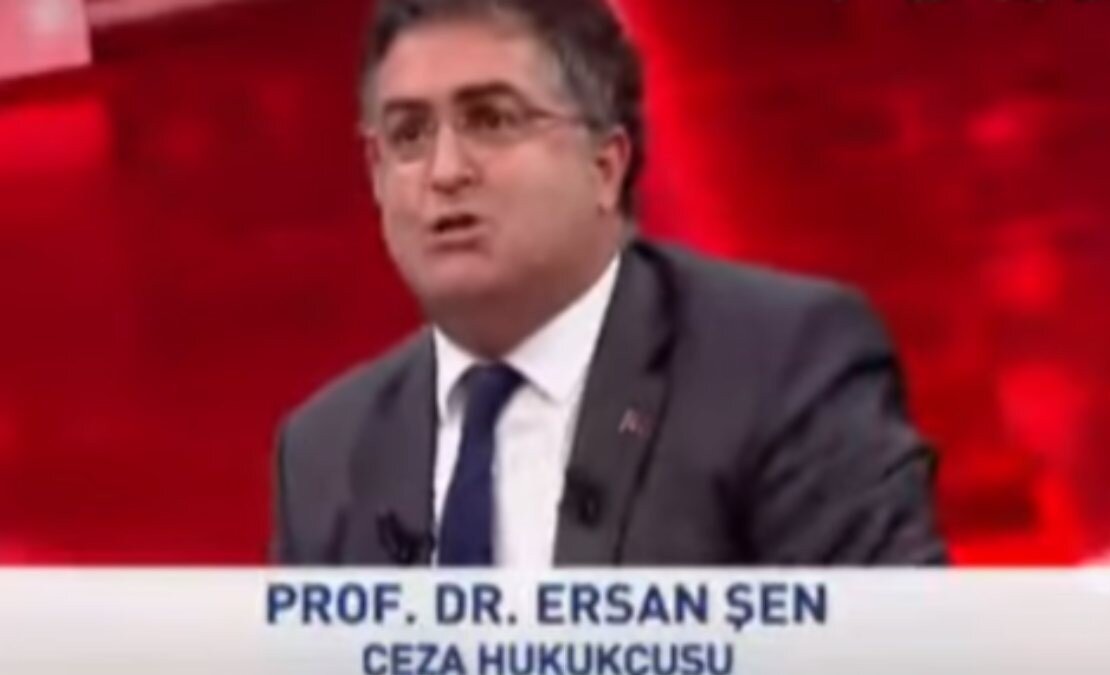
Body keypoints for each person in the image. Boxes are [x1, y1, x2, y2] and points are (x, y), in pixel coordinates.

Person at [271, 0, 947, 566]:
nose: (444, 171)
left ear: (605, 165)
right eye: (408, 134)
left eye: (492, 120)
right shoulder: (324, 448)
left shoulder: (783, 365)